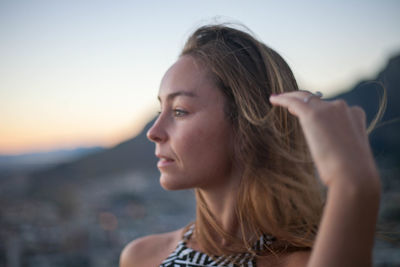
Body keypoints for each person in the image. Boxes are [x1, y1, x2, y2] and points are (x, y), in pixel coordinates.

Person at [120, 24, 382, 267]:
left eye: (179, 111)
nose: (153, 132)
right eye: (160, 111)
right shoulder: (141, 257)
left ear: (247, 125)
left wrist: (353, 181)